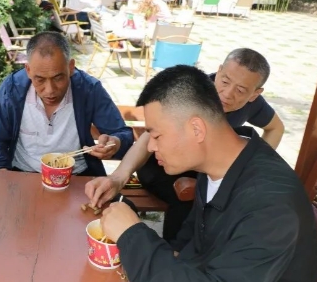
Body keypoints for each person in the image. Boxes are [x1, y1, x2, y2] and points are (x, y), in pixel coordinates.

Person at [86, 65, 317, 282]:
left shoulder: (270, 206)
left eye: (156, 136)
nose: (151, 147)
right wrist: (139, 245)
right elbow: (189, 243)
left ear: (196, 129)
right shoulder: (219, 166)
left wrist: (133, 235)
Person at [101, 48, 286, 241]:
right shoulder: (191, 92)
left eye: (240, 90)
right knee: (188, 197)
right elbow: (150, 137)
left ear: (255, 94)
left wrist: (248, 166)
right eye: (225, 81)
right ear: (219, 71)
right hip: (160, 165)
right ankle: (172, 251)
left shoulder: (253, 104)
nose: (228, 94)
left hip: (202, 170)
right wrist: (119, 177)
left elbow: (276, 128)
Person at [0, 31, 134, 176]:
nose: (50, 90)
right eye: (40, 79)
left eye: (58, 78)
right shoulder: (12, 89)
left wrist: (115, 143)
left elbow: (122, 134)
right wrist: (1, 173)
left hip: (77, 176)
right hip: (24, 174)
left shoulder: (88, 89)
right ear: (28, 70)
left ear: (71, 67)